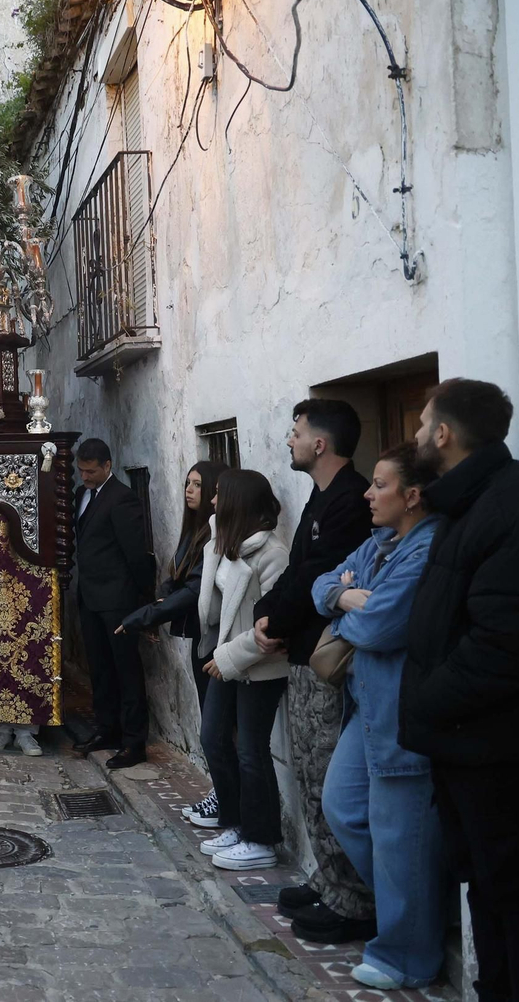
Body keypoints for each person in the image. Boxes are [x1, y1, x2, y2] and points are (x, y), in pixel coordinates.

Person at [400, 379, 519, 1000]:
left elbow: (507, 647)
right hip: (465, 741)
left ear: (444, 434)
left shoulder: (516, 507)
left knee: (517, 895)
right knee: (486, 885)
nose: (416, 436)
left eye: (422, 425)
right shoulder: (471, 503)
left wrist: (424, 701)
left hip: (497, 746)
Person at [313, 443, 446, 990]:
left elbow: (381, 627)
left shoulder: (426, 550)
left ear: (412, 496)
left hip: (399, 713)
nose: (369, 493)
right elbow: (322, 585)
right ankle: (413, 910)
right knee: (343, 808)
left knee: (399, 836)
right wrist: (347, 598)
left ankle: (406, 953)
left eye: (381, 485)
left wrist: (347, 611)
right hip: (365, 706)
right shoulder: (378, 543)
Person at [250, 399, 376, 941]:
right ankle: (329, 880)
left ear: (319, 443)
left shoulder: (351, 500)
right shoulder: (322, 496)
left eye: (296, 432)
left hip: (328, 660)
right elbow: (298, 570)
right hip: (301, 653)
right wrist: (265, 613)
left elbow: (318, 577)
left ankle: (353, 900)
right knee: (306, 771)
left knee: (328, 779)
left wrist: (275, 621)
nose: (289, 440)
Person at [115, 461, 228, 818]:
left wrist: (146, 616)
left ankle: (227, 799)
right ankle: (222, 794)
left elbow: (193, 591)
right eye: (187, 483)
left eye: (198, 485)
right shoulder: (194, 531)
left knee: (219, 729)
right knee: (211, 724)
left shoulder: (216, 535)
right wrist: (160, 601)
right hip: (199, 637)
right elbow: (176, 577)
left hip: (218, 640)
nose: (189, 490)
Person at [195, 470, 290, 872]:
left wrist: (230, 657)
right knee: (213, 737)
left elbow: (275, 627)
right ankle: (234, 823)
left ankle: (261, 839)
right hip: (227, 658)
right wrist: (215, 546)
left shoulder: (272, 554)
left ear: (237, 502)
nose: (213, 502)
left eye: (219, 495)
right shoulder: (228, 546)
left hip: (257, 666)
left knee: (251, 750)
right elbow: (214, 609)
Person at [70, 438, 155, 770]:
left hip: (118, 600)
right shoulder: (82, 495)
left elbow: (136, 553)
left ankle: (134, 742)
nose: (85, 477)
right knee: (100, 668)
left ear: (107, 466)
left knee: (126, 670)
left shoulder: (122, 498)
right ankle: (107, 729)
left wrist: (145, 599)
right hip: (91, 597)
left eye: (91, 471)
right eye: (81, 470)